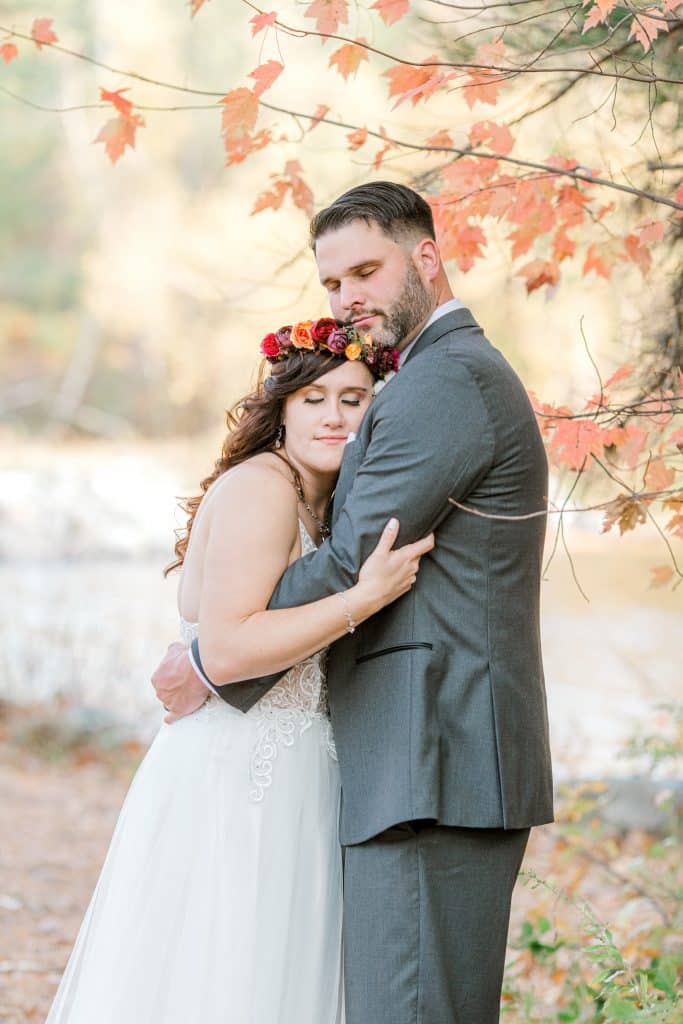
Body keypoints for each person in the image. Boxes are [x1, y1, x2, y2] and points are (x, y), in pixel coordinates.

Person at [155, 181, 554, 1024]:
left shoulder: (447, 382)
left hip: (432, 755)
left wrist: (217, 650)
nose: (348, 298)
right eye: (332, 283)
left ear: (427, 258)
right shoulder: (430, 378)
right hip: (412, 758)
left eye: (365, 270)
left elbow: (350, 559)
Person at [45, 322, 433, 1024]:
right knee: (222, 976)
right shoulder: (263, 488)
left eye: (353, 399)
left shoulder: (318, 497)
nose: (335, 417)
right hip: (237, 769)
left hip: (291, 765)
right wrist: (365, 597)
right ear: (281, 407)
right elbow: (225, 652)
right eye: (313, 399)